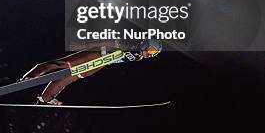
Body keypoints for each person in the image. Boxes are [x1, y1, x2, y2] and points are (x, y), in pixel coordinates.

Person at [20, 39, 162, 105]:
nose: (150, 54)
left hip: (102, 63)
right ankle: (30, 76)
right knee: (63, 64)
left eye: (153, 54)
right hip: (97, 54)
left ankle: (46, 97)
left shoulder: (138, 57)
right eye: (150, 50)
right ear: (145, 44)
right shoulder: (134, 43)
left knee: (74, 76)